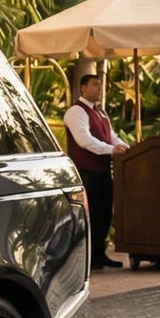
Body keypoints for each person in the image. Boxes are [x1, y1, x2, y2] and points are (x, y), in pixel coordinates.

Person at [64, 67, 129, 269]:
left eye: (100, 85)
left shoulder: (100, 113)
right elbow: (84, 140)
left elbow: (111, 136)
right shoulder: (76, 111)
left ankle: (99, 255)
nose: (98, 89)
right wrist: (111, 149)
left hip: (102, 173)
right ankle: (88, 259)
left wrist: (125, 148)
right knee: (90, 215)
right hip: (87, 173)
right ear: (83, 88)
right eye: (94, 85)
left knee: (103, 215)